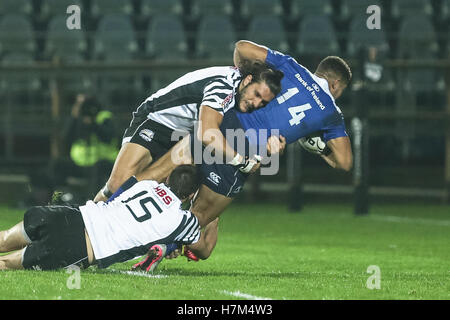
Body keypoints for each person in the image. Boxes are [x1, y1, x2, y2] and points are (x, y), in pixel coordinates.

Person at [132, 40, 354, 266]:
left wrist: (240, 78)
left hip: (222, 122)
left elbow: (242, 47)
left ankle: (114, 204)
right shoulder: (331, 113)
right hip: (245, 148)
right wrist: (322, 149)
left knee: (155, 175)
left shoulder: (291, 66)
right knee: (199, 219)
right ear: (336, 84)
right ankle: (164, 245)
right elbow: (345, 162)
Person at [93, 62, 284, 203]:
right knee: (117, 186)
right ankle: (84, 225)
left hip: (183, 136)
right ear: (248, 80)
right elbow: (207, 133)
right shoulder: (223, 86)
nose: (256, 104)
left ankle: (171, 239)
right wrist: (240, 161)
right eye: (257, 95)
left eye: (263, 103)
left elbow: (239, 134)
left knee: (164, 196)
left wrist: (269, 146)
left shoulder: (239, 94)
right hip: (155, 121)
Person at [0, 165, 218, 271]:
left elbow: (119, 191)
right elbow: (205, 249)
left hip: (70, 214)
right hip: (79, 246)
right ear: (191, 195)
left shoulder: (147, 185)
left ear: (169, 177)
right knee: (4, 264)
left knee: (3, 239)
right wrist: (213, 213)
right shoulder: (184, 222)